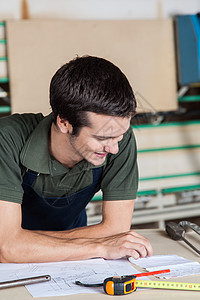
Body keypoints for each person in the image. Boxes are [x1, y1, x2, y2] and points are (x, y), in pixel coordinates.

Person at [0, 55, 153, 263]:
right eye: (101, 138)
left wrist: (25, 243)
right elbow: (7, 249)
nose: (114, 148)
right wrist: (99, 246)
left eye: (119, 135)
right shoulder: (6, 140)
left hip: (75, 262)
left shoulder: (117, 137)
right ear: (64, 123)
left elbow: (116, 229)